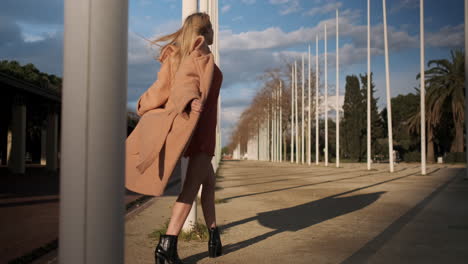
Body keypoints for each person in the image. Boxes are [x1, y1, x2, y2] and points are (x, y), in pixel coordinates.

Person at [126, 13, 223, 264]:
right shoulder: (197, 56)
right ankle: (166, 245)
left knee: (208, 183)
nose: (214, 33)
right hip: (199, 130)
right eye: (211, 28)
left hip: (202, 128)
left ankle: (214, 235)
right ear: (204, 33)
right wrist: (189, 99)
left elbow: (166, 87)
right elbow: (184, 83)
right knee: (191, 188)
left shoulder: (183, 56)